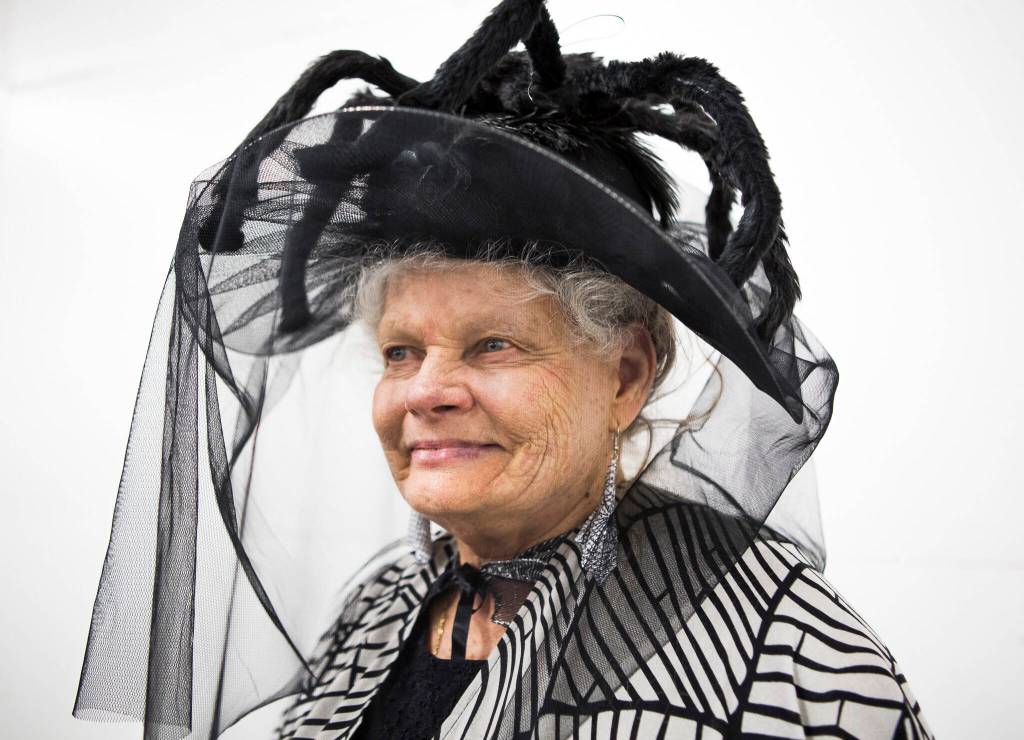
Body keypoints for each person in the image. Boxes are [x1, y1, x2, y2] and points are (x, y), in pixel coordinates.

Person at [74, 2, 933, 738]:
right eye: (400, 352)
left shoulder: (798, 656)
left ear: (627, 376)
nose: (424, 392)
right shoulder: (377, 616)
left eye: (493, 345)